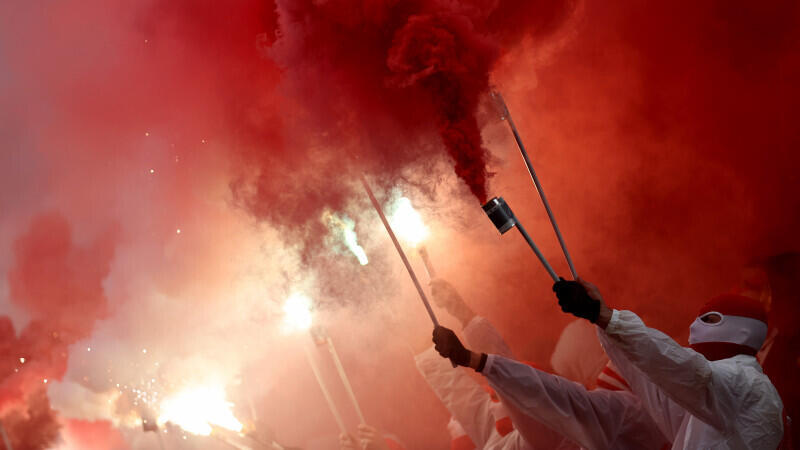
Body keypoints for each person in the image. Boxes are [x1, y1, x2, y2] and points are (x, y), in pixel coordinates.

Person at [429, 280, 668, 449]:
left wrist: (474, 353)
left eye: (500, 396)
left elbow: (537, 398)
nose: (496, 406)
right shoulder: (517, 435)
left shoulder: (616, 415)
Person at [550, 277, 784, 449]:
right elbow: (655, 381)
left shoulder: (746, 384)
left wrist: (605, 316)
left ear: (743, 332)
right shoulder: (709, 401)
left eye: (710, 319)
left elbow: (679, 365)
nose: (696, 327)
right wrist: (602, 321)